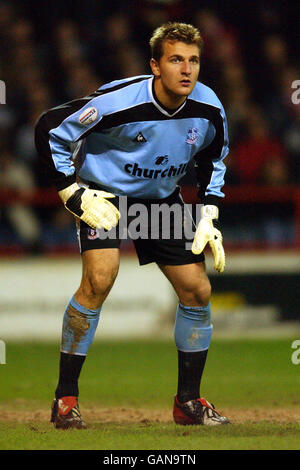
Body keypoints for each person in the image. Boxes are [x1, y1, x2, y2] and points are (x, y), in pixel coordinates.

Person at [35, 22, 229, 429]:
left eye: (193, 60)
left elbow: (215, 158)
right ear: (155, 66)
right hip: (105, 194)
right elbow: (50, 128)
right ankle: (65, 400)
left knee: (197, 290)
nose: (186, 69)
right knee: (99, 280)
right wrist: (71, 191)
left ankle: (188, 403)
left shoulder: (209, 107)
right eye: (176, 60)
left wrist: (209, 211)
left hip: (160, 198)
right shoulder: (117, 103)